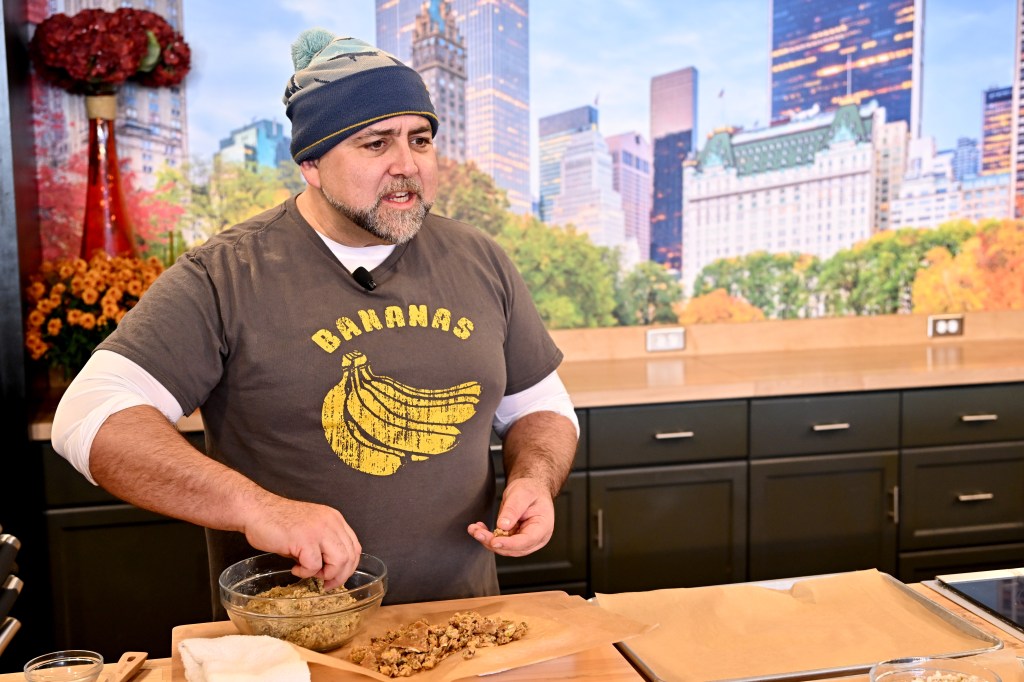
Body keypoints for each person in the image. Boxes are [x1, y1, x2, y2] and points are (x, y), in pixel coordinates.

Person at [51, 29, 579, 607]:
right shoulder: (225, 274)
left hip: (467, 624)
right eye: (376, 144)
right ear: (310, 162)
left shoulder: (480, 259)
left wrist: (534, 477)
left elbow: (538, 406)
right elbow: (87, 416)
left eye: (421, 140)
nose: (407, 165)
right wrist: (258, 508)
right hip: (292, 639)